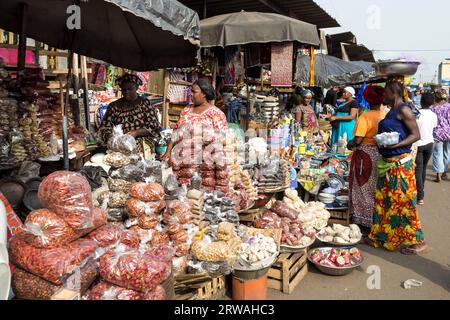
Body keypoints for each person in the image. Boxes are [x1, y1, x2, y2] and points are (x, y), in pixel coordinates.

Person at [367, 81, 427, 255]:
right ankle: (380, 236)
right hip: (387, 164)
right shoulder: (391, 111)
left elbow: (416, 135)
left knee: (405, 202)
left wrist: (397, 145)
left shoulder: (404, 110)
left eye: (385, 93)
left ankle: (419, 241)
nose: (383, 96)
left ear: (394, 93)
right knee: (384, 201)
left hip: (400, 165)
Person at [347, 86, 385, 232]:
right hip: (379, 153)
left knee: (361, 187)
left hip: (365, 155)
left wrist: (350, 144)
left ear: (368, 99)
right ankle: (374, 219)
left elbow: (357, 140)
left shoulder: (365, 117)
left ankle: (363, 220)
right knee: (375, 187)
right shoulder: (384, 115)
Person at [161, 79, 227, 161]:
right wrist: (167, 152)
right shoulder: (187, 110)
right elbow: (176, 132)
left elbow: (220, 140)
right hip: (181, 159)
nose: (190, 94)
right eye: (190, 91)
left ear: (204, 94)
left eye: (194, 92)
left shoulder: (216, 114)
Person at [98, 74, 161, 153]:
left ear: (137, 88)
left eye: (130, 89)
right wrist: (114, 137)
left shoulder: (144, 104)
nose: (126, 92)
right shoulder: (114, 106)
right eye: (123, 89)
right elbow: (104, 128)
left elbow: (154, 126)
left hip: (142, 145)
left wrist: (136, 133)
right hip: (119, 145)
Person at [415, 92, 438, 205]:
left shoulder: (417, 113)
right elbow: (433, 127)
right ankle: (421, 191)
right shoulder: (433, 115)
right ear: (432, 103)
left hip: (419, 144)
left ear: (421, 101)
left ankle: (420, 196)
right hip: (429, 143)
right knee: (422, 168)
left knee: (418, 170)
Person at [431, 90, 450, 182]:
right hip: (448, 133)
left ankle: (438, 175)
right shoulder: (449, 107)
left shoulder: (432, 108)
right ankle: (444, 172)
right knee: (447, 153)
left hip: (437, 134)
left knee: (437, 153)